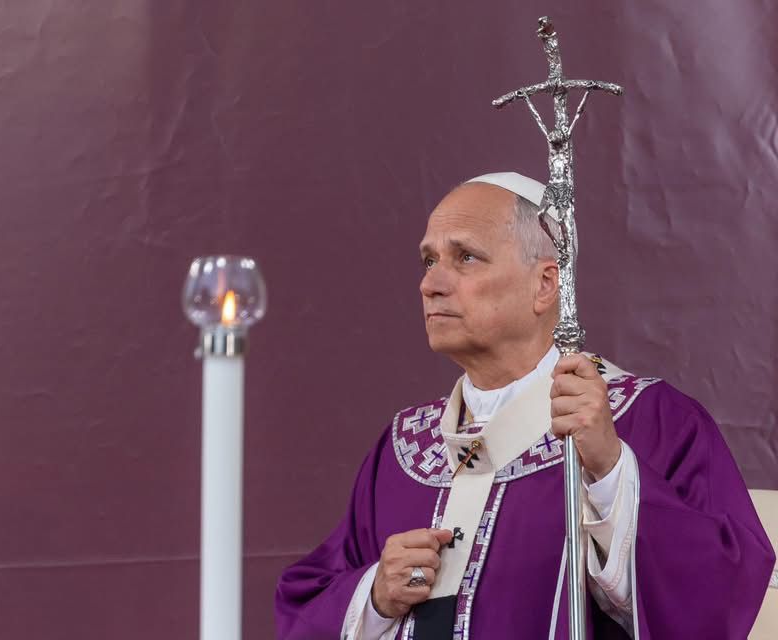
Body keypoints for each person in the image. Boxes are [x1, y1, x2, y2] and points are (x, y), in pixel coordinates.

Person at [274, 173, 775, 639]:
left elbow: (718, 589)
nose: (431, 284)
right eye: (429, 260)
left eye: (465, 257)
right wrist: (377, 596)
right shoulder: (404, 448)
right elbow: (308, 604)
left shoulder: (647, 421)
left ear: (545, 284)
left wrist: (609, 469)